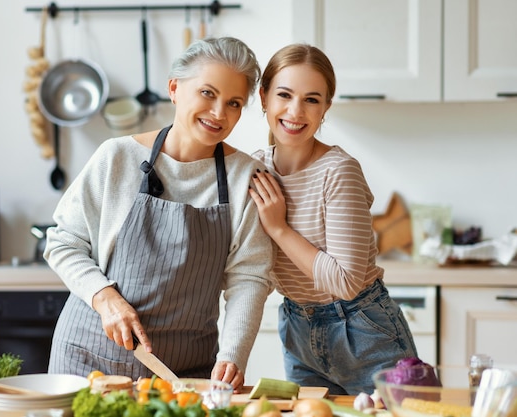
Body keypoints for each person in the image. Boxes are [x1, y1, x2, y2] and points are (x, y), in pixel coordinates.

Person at [44, 37, 274, 391]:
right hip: (88, 361)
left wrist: (232, 355)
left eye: (233, 103)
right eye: (207, 93)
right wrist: (104, 297)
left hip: (184, 373)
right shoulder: (116, 157)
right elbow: (62, 241)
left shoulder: (247, 176)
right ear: (174, 88)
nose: (218, 113)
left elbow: (249, 277)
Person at [249, 43, 418, 395]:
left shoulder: (338, 171)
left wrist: (278, 228)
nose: (296, 111)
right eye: (284, 94)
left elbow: (344, 281)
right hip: (298, 326)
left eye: (312, 99)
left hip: (364, 330)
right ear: (263, 97)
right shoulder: (255, 169)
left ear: (326, 108)